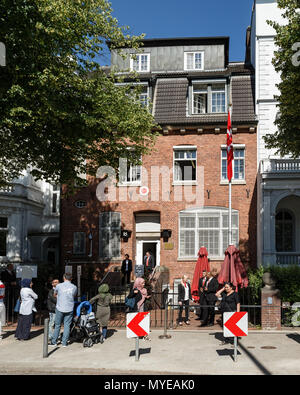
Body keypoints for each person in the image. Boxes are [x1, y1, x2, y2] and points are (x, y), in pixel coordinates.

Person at [50, 273, 77, 348]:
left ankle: (54, 342)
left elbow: (55, 294)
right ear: (71, 279)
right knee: (67, 325)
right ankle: (64, 342)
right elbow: (74, 295)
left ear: (64, 278)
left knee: (57, 325)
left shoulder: (58, 286)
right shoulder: (74, 287)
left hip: (60, 307)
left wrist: (60, 296)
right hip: (69, 308)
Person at [47, 278, 59, 343]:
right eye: (55, 282)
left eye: (57, 282)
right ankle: (50, 336)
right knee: (52, 323)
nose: (56, 283)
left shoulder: (59, 291)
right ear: (52, 284)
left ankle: (55, 335)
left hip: (58, 309)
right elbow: (55, 300)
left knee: (57, 323)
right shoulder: (51, 291)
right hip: (53, 309)